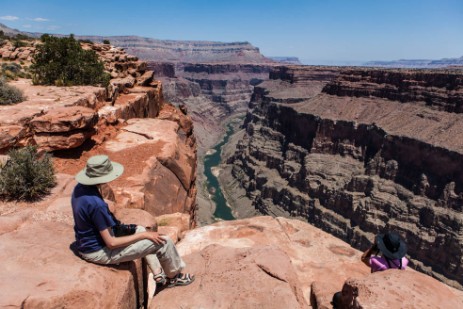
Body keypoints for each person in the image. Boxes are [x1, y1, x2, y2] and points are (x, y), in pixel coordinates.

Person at [71, 155, 194, 288]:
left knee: (141, 229)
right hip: (98, 252)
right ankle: (174, 278)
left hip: (86, 243)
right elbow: (111, 243)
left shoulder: (79, 189)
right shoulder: (96, 205)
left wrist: (139, 232)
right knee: (164, 242)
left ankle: (158, 274)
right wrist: (144, 236)